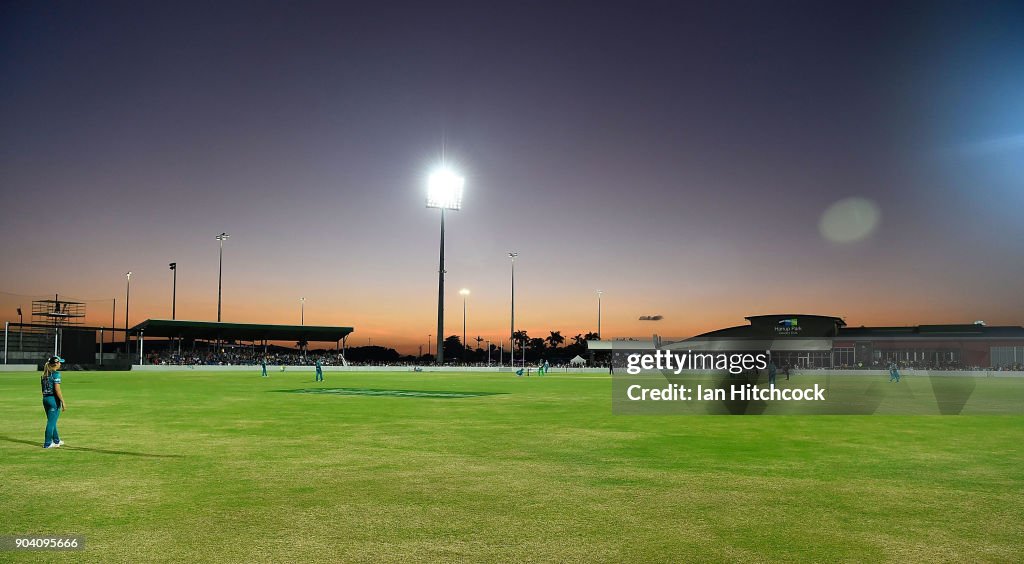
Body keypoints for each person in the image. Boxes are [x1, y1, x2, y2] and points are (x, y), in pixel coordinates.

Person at [41, 355, 66, 449]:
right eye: (59, 362)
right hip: (53, 400)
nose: (60, 364)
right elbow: (57, 389)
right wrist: (62, 401)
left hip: (45, 399)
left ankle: (56, 440)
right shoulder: (56, 374)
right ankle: (47, 443)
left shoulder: (44, 375)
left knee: (52, 421)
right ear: (56, 363)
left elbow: (42, 389)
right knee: (51, 422)